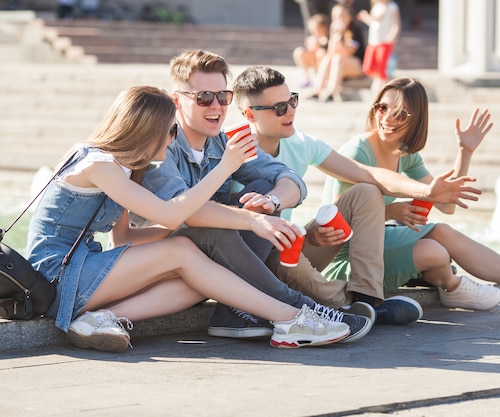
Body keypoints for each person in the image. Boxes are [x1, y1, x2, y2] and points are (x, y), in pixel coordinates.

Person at [24, 86, 350, 353]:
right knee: (183, 252)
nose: (174, 138)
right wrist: (225, 167)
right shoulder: (97, 164)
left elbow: (124, 240)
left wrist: (193, 239)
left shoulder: (125, 167)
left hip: (86, 267)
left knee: (199, 277)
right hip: (56, 276)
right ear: (147, 129)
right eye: (171, 130)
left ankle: (101, 318)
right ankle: (290, 318)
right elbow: (170, 214)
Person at [137, 49, 373, 342]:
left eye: (223, 97)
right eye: (203, 98)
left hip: (209, 269)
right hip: (154, 264)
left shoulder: (222, 142)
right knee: (215, 229)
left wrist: (271, 203)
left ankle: (234, 312)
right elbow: (187, 214)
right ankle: (304, 309)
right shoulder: (162, 145)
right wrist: (251, 219)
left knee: (261, 191)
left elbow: (290, 180)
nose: (216, 106)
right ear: (177, 100)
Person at [232, 66, 484, 325]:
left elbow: (368, 174)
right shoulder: (229, 147)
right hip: (251, 256)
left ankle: (367, 299)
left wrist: (427, 191)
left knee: (366, 190)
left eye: (292, 101)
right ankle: (347, 306)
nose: (290, 112)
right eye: (279, 108)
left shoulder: (302, 143)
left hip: (289, 241)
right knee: (284, 252)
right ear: (250, 114)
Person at [322, 77, 500, 323]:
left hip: (377, 246)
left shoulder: (405, 155)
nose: (387, 118)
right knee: (441, 234)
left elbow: (446, 205)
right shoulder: (358, 150)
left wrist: (465, 152)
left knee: (435, 251)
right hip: (351, 262)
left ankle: (454, 287)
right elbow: (338, 224)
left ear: (416, 120)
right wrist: (392, 211)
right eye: (382, 108)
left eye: (400, 113)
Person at [310, 3, 366, 102]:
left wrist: (339, 37)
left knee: (338, 58)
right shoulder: (333, 29)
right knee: (328, 57)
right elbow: (331, 52)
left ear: (349, 16)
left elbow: (348, 53)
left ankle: (332, 92)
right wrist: (335, 36)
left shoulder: (355, 30)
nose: (339, 19)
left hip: (356, 65)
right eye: (336, 16)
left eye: (342, 15)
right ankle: (317, 91)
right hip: (339, 63)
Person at [356, 0, 401, 93]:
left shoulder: (392, 6)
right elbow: (373, 22)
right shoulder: (377, 6)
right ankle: (378, 80)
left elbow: (396, 23)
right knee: (368, 66)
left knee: (382, 65)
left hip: (385, 40)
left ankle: (382, 84)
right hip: (373, 40)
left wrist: (393, 36)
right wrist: (364, 17)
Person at [292, 13, 330, 88]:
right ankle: (307, 79)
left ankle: (321, 79)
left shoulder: (328, 39)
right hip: (314, 61)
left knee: (321, 53)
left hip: (324, 63)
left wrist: (320, 44)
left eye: (316, 29)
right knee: (299, 52)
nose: (313, 32)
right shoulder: (312, 38)